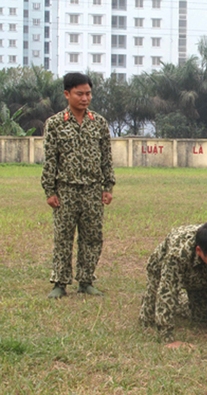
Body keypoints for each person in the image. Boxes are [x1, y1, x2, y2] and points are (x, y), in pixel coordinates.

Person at [41, 72, 115, 299]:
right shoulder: (55, 124)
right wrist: (50, 190)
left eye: (88, 93)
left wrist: (108, 187)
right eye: (79, 93)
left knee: (92, 237)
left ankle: (86, 280)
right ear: (67, 94)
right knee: (63, 237)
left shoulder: (99, 123)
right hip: (66, 190)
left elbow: (106, 158)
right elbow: (50, 159)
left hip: (93, 190)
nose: (85, 98)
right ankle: (60, 283)